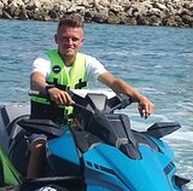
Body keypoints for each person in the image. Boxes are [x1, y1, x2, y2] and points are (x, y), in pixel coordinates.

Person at [26, 13, 154, 178]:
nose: (69, 43)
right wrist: (50, 89)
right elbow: (36, 79)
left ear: (81, 42)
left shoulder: (88, 62)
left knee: (105, 143)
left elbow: (114, 82)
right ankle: (27, 189)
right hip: (43, 123)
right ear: (56, 39)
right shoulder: (45, 60)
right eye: (65, 38)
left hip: (75, 123)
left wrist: (139, 97)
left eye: (74, 39)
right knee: (39, 147)